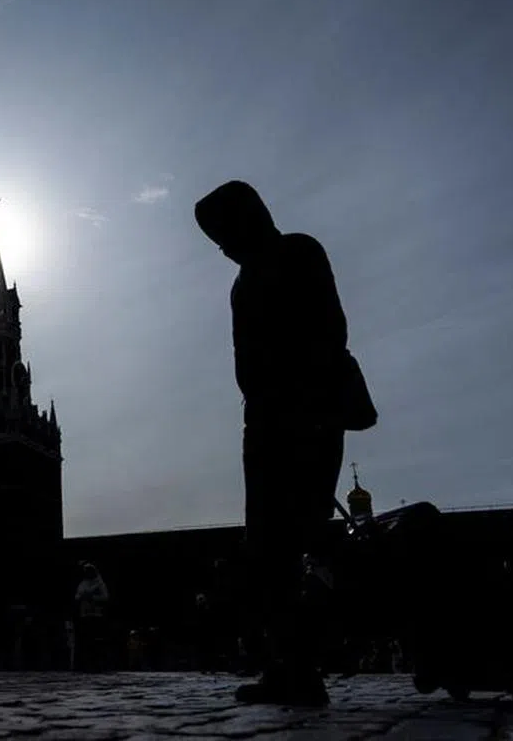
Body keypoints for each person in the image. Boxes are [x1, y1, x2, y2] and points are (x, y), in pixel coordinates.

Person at [195, 180, 363, 706]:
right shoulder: (242, 283)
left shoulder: (299, 251)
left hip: (308, 415)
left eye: (223, 234)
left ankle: (302, 667)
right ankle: (288, 665)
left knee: (296, 540)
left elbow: (329, 331)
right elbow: (246, 361)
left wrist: (300, 399)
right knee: (267, 549)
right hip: (266, 424)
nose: (222, 248)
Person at [74, 562, 109, 671]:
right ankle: (86, 663)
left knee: (96, 640)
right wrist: (83, 596)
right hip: (85, 615)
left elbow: (105, 597)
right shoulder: (83, 583)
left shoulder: (99, 584)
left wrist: (93, 597)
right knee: (86, 640)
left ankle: (98, 663)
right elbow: (77, 596)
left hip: (96, 615)